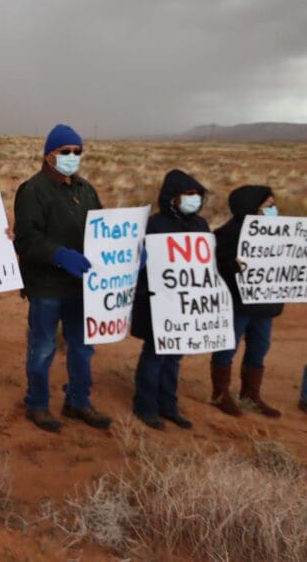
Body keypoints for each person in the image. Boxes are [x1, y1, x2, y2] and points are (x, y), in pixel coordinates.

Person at [13, 124, 111, 433]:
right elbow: (26, 239)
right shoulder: (33, 190)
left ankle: (78, 401)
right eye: (65, 151)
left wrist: (124, 253)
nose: (72, 156)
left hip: (83, 286)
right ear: (48, 155)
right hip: (46, 287)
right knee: (42, 347)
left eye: (77, 152)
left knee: (82, 347)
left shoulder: (86, 191)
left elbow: (103, 228)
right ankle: (37, 404)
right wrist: (59, 255)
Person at [129, 170, 208, 430]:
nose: (194, 199)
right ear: (173, 197)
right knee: (154, 356)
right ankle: (146, 406)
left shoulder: (201, 225)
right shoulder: (154, 224)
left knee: (174, 357)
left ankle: (169, 406)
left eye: (197, 194)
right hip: (157, 304)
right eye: (188, 194)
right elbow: (138, 264)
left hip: (185, 306)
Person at [210, 185, 285, 418]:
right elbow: (215, 268)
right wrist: (232, 266)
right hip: (238, 304)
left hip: (265, 304)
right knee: (227, 346)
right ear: (252, 207)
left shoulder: (279, 232)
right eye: (269, 206)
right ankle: (220, 394)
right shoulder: (228, 234)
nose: (274, 210)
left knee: (260, 346)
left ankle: (251, 395)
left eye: (274, 206)